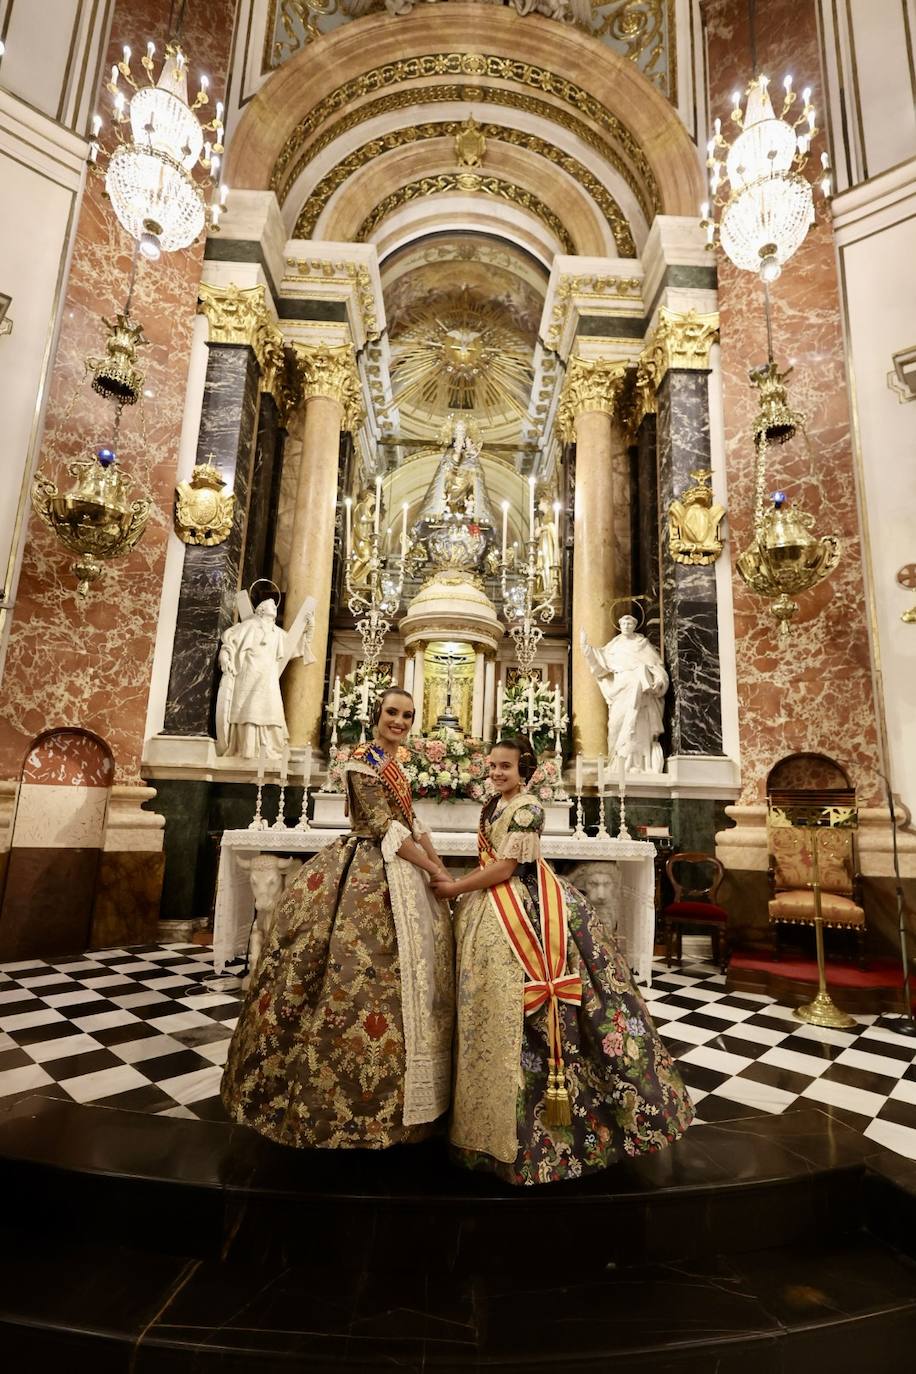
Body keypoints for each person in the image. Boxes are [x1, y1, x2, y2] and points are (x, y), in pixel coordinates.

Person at [432, 738, 692, 1185]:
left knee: (557, 1008)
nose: (496, 773)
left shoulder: (528, 808)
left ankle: (555, 1136)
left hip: (532, 911)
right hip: (493, 908)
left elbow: (506, 868)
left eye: (506, 767)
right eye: (492, 766)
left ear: (525, 769)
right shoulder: (495, 803)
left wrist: (456, 888)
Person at [221, 688, 454, 1149]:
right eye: (392, 713)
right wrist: (432, 869)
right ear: (376, 714)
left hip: (402, 869)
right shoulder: (361, 760)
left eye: (407, 715)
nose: (400, 721)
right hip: (366, 870)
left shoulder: (396, 761)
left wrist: (437, 863)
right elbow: (384, 827)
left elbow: (412, 822)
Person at [215, 596, 314, 760]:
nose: (274, 607)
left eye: (275, 606)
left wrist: (310, 628)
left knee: (271, 709)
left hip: (268, 678)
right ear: (260, 610)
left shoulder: (278, 633)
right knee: (248, 708)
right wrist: (224, 658)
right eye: (270, 605)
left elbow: (297, 647)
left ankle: (270, 749)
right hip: (249, 674)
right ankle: (246, 749)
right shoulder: (248, 626)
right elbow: (229, 644)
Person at [580, 615, 669, 773]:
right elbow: (600, 663)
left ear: (634, 625)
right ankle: (617, 761)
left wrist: (660, 678)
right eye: (623, 623)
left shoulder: (643, 645)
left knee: (637, 727)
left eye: (630, 623)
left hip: (640, 692)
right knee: (615, 725)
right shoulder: (614, 646)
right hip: (620, 688)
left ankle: (637, 764)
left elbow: (657, 666)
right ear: (620, 626)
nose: (626, 625)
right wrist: (586, 648)